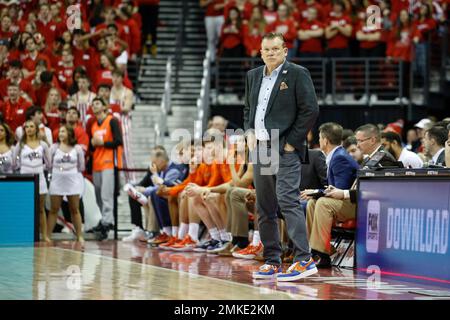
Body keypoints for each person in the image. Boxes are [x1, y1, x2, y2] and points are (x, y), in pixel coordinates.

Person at [243, 32, 319, 281]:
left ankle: (304, 260)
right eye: (267, 49)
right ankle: (272, 260)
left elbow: (310, 109)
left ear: (285, 51)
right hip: (261, 148)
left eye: (276, 49)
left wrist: (291, 144)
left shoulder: (297, 73)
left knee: (287, 201)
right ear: (260, 52)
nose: (271, 53)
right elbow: (248, 109)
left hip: (284, 147)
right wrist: (249, 131)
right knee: (264, 207)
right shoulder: (253, 76)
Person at [302, 122, 359, 268]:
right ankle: (314, 250)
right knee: (312, 203)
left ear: (325, 140)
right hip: (344, 199)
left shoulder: (340, 158)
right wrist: (315, 194)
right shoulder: (335, 156)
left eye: (320, 139)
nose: (319, 141)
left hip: (353, 203)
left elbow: (339, 190)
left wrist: (316, 193)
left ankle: (322, 255)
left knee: (322, 203)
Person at [90, 97, 123, 240]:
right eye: (93, 104)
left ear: (104, 107)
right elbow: (94, 145)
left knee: (106, 195)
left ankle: (107, 222)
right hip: (97, 163)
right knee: (98, 195)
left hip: (109, 162)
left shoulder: (112, 120)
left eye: (97, 103)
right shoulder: (93, 125)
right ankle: (104, 219)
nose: (94, 106)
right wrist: (93, 143)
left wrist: (103, 142)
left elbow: (118, 141)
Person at [13, 120, 51, 242]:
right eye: (26, 127)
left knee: (41, 209)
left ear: (36, 129)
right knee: (25, 208)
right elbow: (14, 163)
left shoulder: (43, 144)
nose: (28, 129)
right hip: (25, 178)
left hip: (40, 178)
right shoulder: (20, 144)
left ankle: (44, 235)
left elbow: (49, 163)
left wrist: (39, 168)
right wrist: (24, 167)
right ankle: (24, 234)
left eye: (31, 126)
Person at [47, 125, 85, 243]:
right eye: (59, 131)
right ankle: (47, 235)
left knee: (75, 209)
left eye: (63, 131)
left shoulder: (77, 148)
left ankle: (79, 235)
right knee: (54, 209)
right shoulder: (54, 148)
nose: (60, 133)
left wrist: (69, 171)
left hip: (72, 180)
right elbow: (48, 164)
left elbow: (81, 166)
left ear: (69, 133)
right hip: (57, 180)